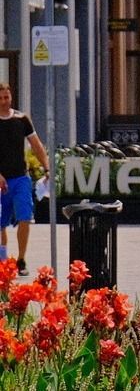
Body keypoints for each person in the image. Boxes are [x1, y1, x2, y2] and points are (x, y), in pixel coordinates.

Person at [0, 84, 50, 276]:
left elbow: (36, 145)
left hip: (21, 177)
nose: (5, 102)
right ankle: (3, 260)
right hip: (2, 179)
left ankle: (21, 259)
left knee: (24, 217)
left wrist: (46, 167)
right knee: (1, 222)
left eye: (7, 97)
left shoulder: (21, 119)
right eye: (1, 98)